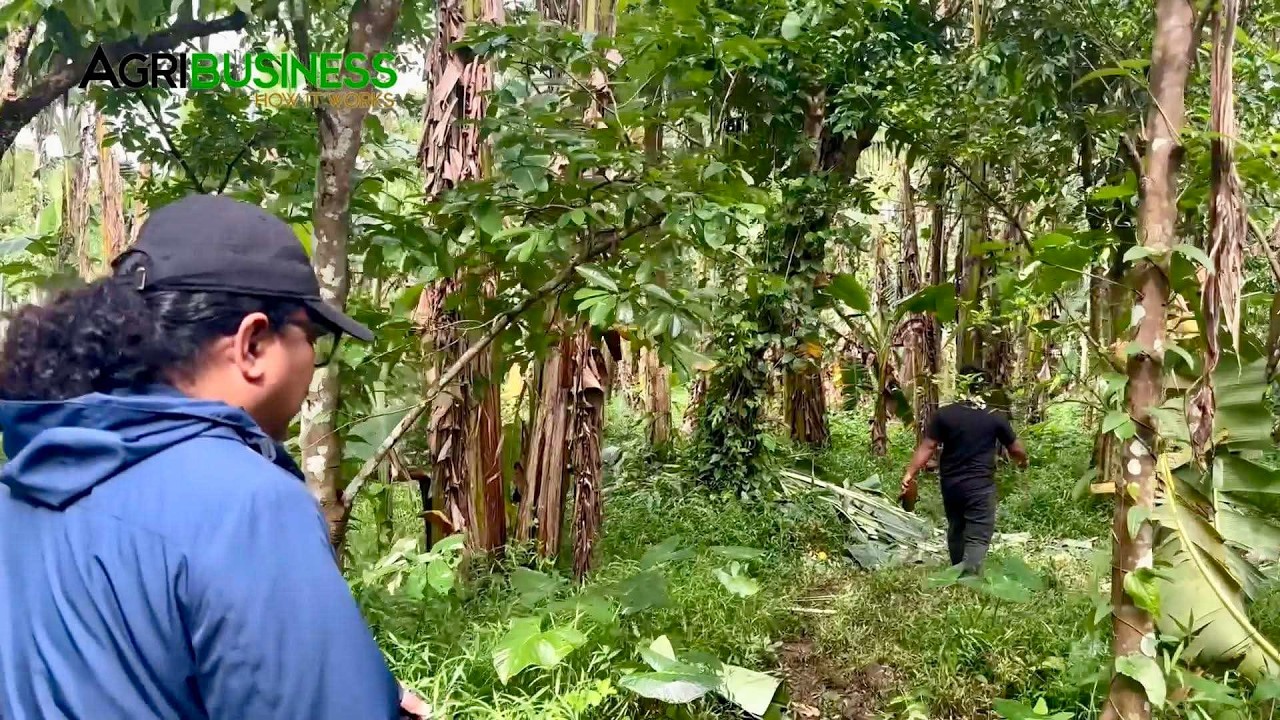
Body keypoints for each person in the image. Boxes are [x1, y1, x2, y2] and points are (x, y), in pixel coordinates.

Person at [0, 194, 428, 719]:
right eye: (313, 337)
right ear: (252, 343)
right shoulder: (247, 504)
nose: (314, 361)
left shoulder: (19, 487)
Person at [900, 364, 1028, 575]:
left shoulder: (945, 415)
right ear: (984, 388)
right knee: (978, 531)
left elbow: (928, 446)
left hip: (951, 484)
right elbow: (1015, 448)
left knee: (956, 526)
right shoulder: (994, 416)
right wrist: (1023, 461)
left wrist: (909, 473)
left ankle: (956, 570)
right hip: (980, 485)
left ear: (961, 384)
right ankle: (969, 575)